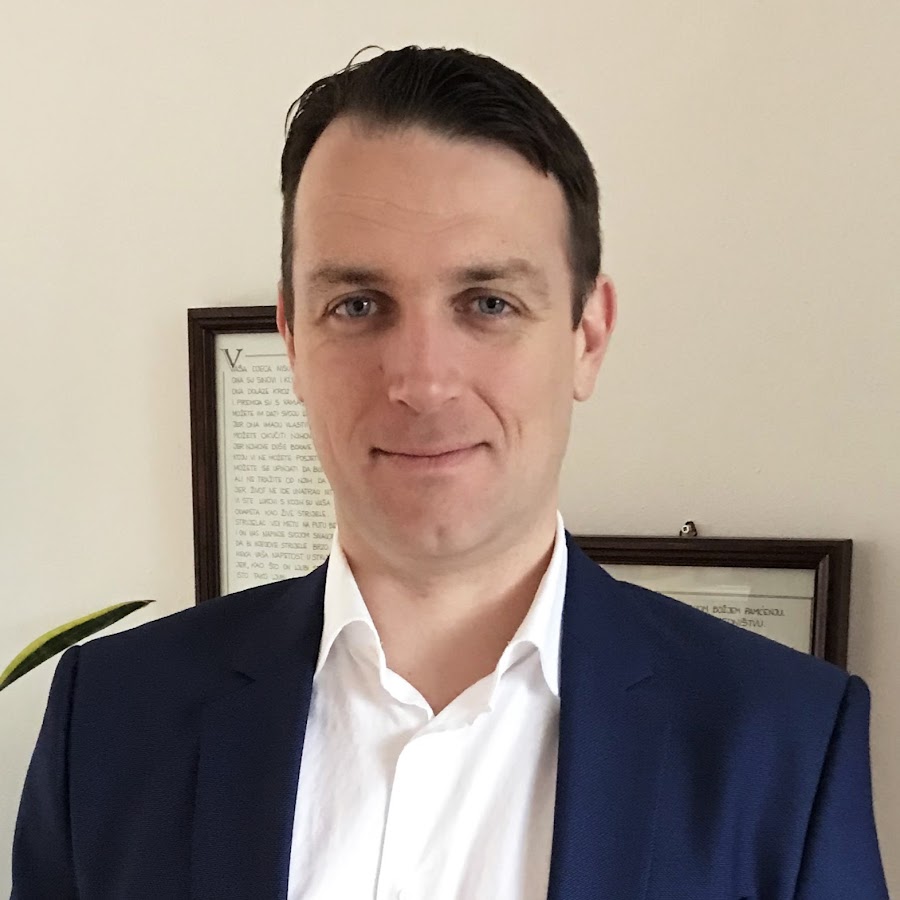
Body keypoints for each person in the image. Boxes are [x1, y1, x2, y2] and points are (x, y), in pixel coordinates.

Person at [12, 45, 888, 900]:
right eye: (358, 305)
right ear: (293, 340)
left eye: (489, 303)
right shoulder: (111, 719)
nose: (422, 382)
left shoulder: (787, 743)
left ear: (587, 337)